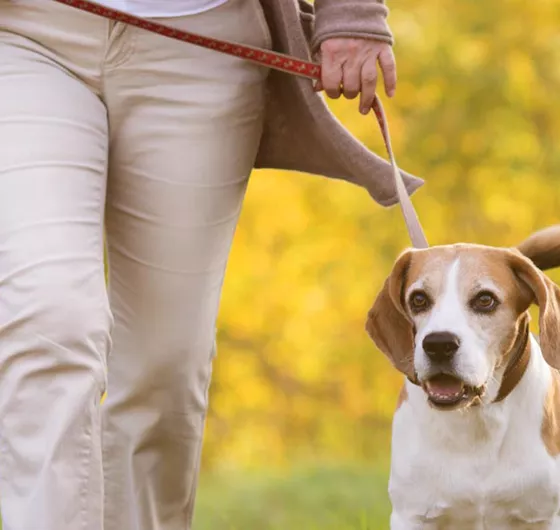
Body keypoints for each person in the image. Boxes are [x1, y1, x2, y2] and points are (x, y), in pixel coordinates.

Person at [0, 0, 423, 529]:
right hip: (24, 35)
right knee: (48, 319)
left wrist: (354, 14)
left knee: (167, 368)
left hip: (200, 47)